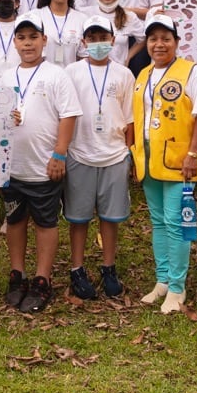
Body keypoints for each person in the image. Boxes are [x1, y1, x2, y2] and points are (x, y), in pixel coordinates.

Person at [131, 14, 197, 314]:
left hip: (180, 162)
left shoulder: (191, 72)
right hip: (149, 160)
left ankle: (177, 287)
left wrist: (193, 154)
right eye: (153, 39)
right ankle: (162, 280)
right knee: (158, 222)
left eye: (166, 38)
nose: (159, 44)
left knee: (177, 223)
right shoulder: (143, 75)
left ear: (177, 42)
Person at [2, 14, 82, 313]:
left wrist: (60, 153)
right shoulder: (6, 76)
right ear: (15, 43)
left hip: (44, 166)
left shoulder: (56, 74)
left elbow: (69, 114)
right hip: (13, 165)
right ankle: (17, 273)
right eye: (21, 38)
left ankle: (42, 278)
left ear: (44, 40)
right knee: (14, 219)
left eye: (33, 37)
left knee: (45, 222)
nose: (27, 43)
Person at [64, 16, 135, 300]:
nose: (97, 43)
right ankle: (77, 268)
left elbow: (129, 119)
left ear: (113, 38)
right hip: (79, 152)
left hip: (115, 154)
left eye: (102, 37)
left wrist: (129, 154)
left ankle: (108, 266)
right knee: (78, 218)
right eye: (91, 38)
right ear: (83, 42)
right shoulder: (71, 72)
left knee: (110, 216)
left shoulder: (124, 74)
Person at [31, 0, 88, 68]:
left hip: (71, 79)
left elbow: (83, 57)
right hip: (42, 77)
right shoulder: (35, 17)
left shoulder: (82, 19)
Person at [91, 0, 146, 68]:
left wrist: (128, 57)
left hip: (119, 72)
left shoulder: (129, 16)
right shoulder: (85, 14)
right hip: (90, 71)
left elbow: (143, 39)